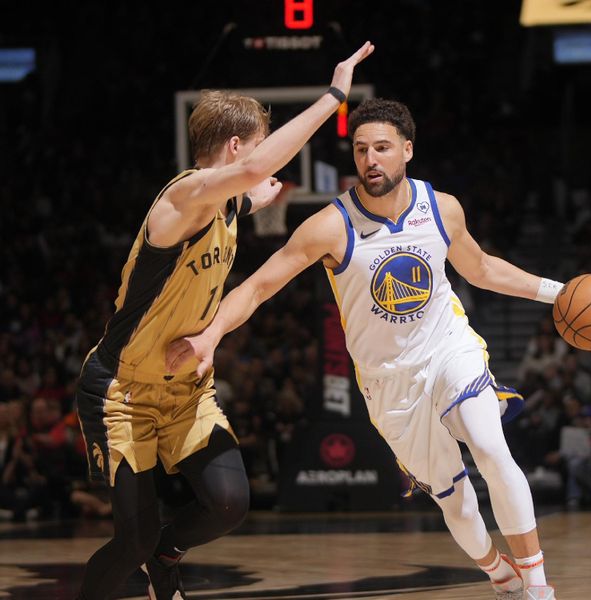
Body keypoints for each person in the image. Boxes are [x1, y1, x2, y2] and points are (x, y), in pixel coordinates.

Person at [167, 98, 563, 600]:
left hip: (449, 350)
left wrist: (556, 291)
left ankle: (538, 585)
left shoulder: (442, 208)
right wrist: (211, 333)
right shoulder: (330, 226)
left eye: (381, 148)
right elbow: (258, 287)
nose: (370, 159)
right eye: (360, 150)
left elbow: (482, 269)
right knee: (457, 505)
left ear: (407, 150)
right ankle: (496, 571)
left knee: (490, 447)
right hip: (388, 383)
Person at [73, 42, 375, 600]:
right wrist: (334, 94)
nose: (267, 163)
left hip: (186, 388)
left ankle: (168, 555)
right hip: (122, 391)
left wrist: (261, 197)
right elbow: (256, 170)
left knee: (230, 503)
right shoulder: (182, 196)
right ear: (236, 148)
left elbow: (253, 187)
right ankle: (138, 560)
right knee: (129, 544)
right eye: (259, 149)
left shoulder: (228, 203)